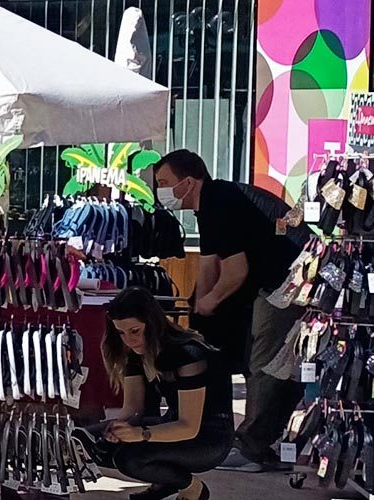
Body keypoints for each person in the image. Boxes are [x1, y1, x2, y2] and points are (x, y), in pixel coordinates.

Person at [152, 150, 305, 472]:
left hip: (288, 282)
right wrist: (198, 307)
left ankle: (252, 448)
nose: (160, 190)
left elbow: (235, 271)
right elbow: (209, 263)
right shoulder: (209, 203)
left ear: (188, 182)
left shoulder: (219, 202)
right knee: (259, 359)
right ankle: (265, 441)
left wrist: (210, 301)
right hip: (271, 282)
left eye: (164, 183)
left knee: (266, 362)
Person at [85, 287, 231, 500]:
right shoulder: (136, 353)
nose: (129, 340)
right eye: (121, 333)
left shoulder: (189, 354)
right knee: (89, 442)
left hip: (209, 437)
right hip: (174, 424)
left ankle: (191, 487)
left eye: (135, 331)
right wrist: (115, 430)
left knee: (129, 459)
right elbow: (133, 409)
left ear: (152, 324)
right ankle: (165, 480)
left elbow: (189, 426)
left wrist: (141, 434)